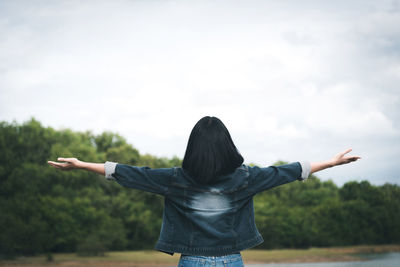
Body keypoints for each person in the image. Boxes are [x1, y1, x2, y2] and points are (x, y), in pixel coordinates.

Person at [48, 116, 361, 267]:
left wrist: (81, 164)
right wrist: (331, 163)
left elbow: (129, 174)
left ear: (193, 148)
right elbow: (289, 171)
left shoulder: (174, 179)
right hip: (232, 260)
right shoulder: (247, 178)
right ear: (227, 146)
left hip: (193, 261)